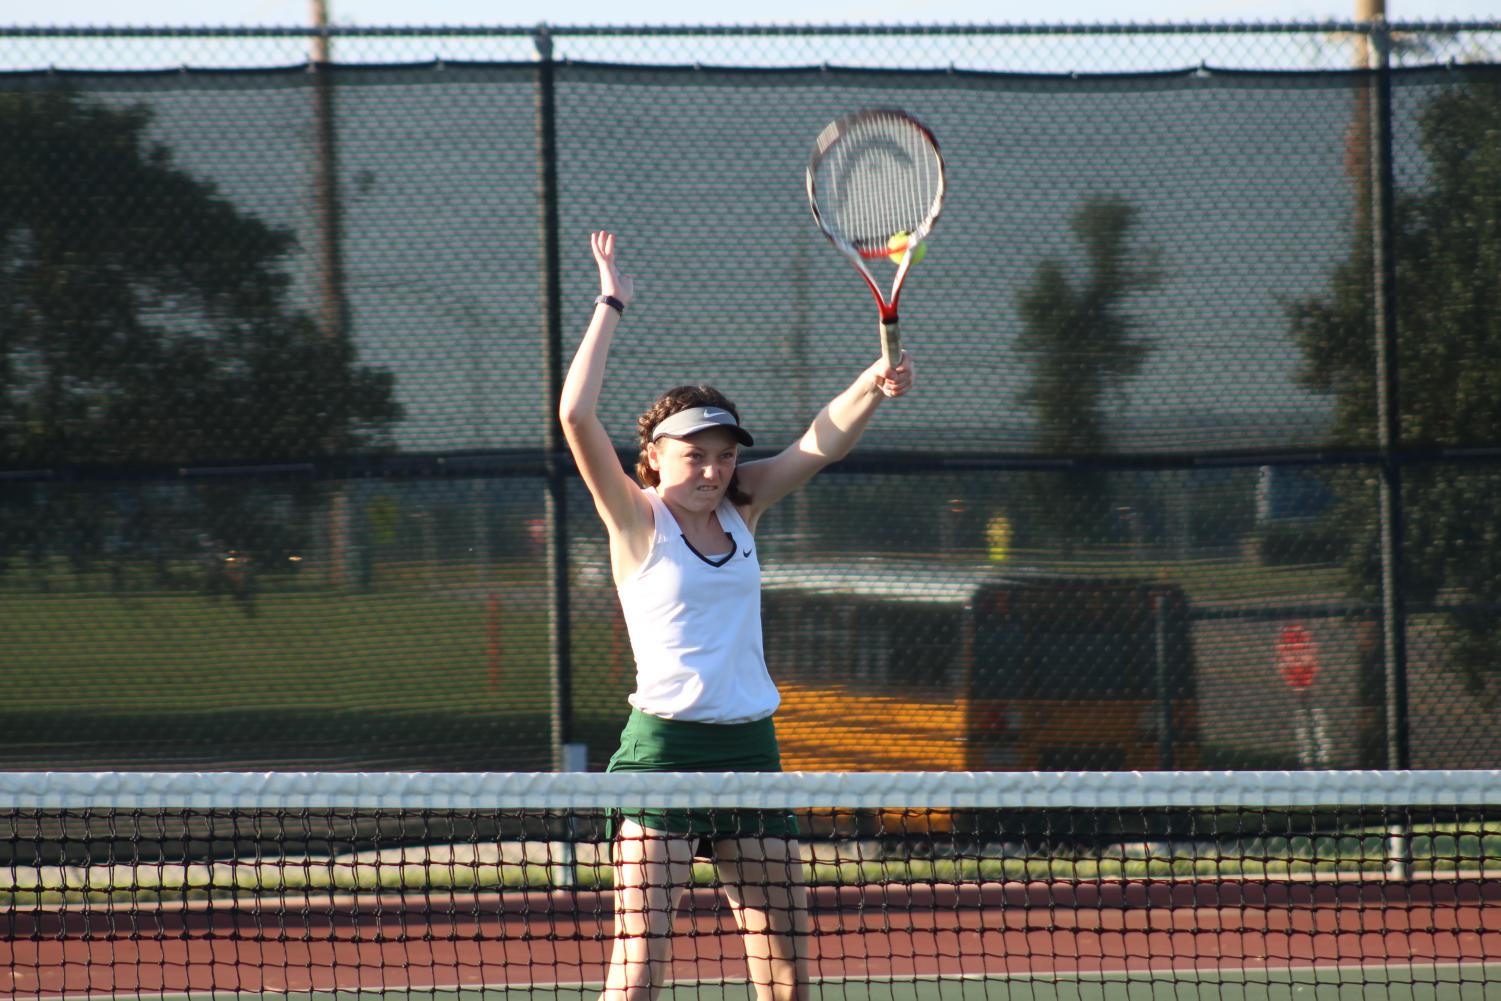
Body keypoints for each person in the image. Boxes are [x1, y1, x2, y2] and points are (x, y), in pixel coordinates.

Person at [559, 231, 913, 1001]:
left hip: (751, 755)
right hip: (659, 759)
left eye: (723, 454)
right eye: (695, 454)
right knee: (640, 967)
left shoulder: (743, 511)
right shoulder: (634, 519)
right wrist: (609, 301)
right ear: (653, 456)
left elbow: (817, 446)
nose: (713, 468)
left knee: (785, 975)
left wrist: (871, 381)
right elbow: (574, 415)